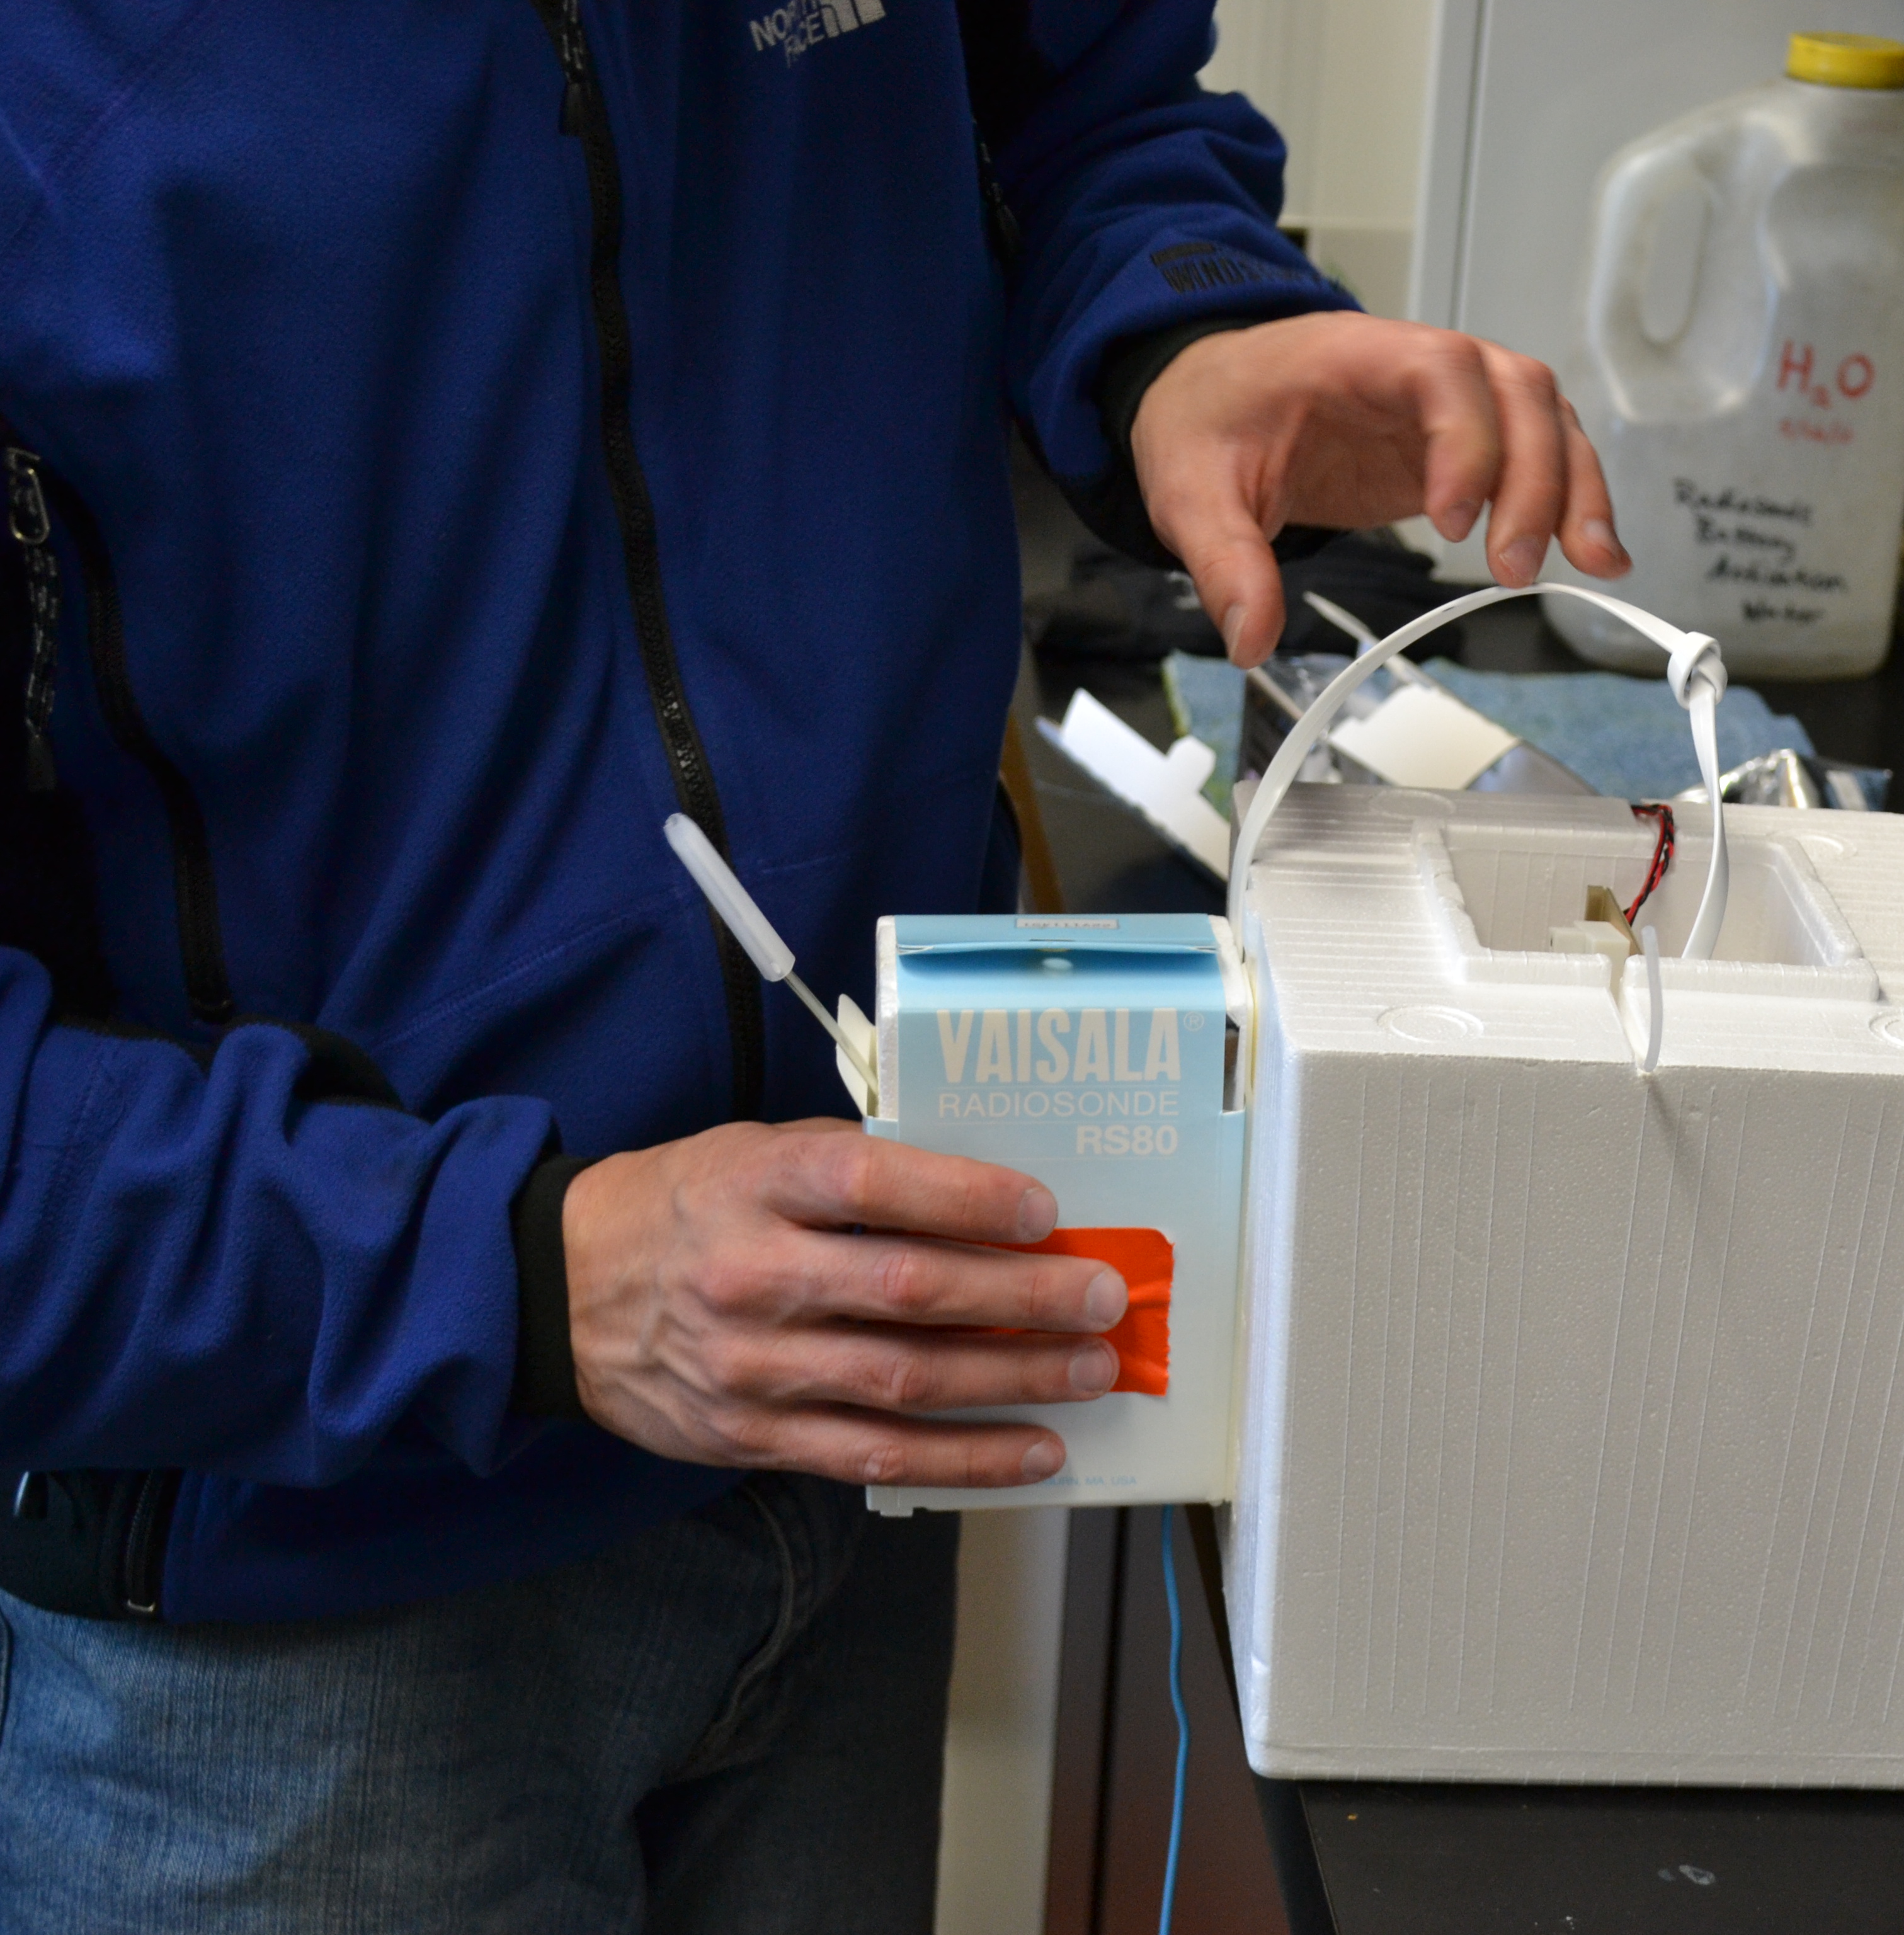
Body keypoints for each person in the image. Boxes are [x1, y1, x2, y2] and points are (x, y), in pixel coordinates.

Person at [0, 4, 1626, 1926]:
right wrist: (512, 1279)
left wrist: (1176, 330)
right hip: (290, 1625)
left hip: (852, 1449)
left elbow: (1080, 109)